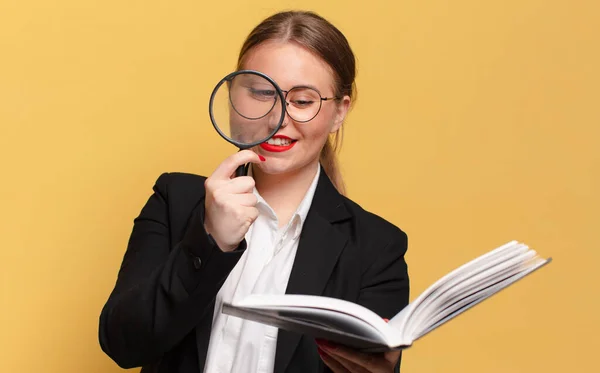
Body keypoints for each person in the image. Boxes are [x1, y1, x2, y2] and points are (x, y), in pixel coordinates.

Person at [99, 10, 410, 373]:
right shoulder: (175, 200)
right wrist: (210, 241)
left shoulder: (377, 247)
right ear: (233, 95)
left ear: (339, 112)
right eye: (262, 92)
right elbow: (122, 344)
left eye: (304, 101)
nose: (278, 117)